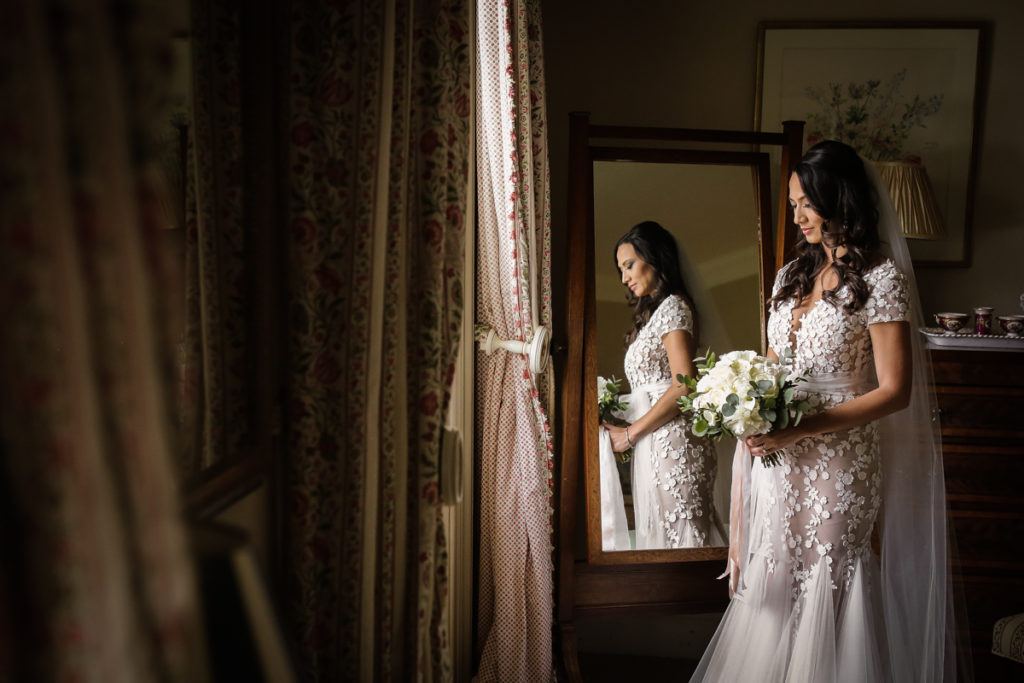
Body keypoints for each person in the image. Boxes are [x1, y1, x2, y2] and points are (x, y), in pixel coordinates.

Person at [690, 140, 960, 682]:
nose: (798, 216)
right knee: (775, 586)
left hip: (839, 467)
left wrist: (803, 429)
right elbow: (770, 366)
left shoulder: (881, 278)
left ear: (839, 197)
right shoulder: (791, 274)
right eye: (792, 205)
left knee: (828, 587)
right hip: (778, 464)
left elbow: (896, 390)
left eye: (807, 203)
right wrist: (746, 408)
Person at [602, 221, 726, 550]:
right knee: (662, 532)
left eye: (629, 265)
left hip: (674, 442)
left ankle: (697, 601)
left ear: (654, 259)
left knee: (683, 529)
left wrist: (629, 435)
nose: (625, 278)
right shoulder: (654, 316)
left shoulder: (674, 307)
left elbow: (684, 386)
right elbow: (650, 390)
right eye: (620, 270)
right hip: (654, 440)